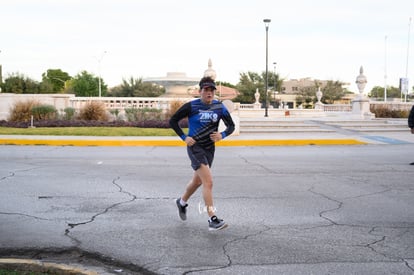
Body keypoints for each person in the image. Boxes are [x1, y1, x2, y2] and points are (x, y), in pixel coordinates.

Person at [169, 76, 235, 231]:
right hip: (195, 147)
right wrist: (184, 137)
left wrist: (222, 135)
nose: (209, 93)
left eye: (212, 90)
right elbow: (173, 121)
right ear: (200, 91)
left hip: (209, 148)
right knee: (208, 182)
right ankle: (212, 218)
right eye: (206, 90)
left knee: (198, 182)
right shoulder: (191, 106)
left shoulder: (219, 107)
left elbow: (230, 126)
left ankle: (182, 202)